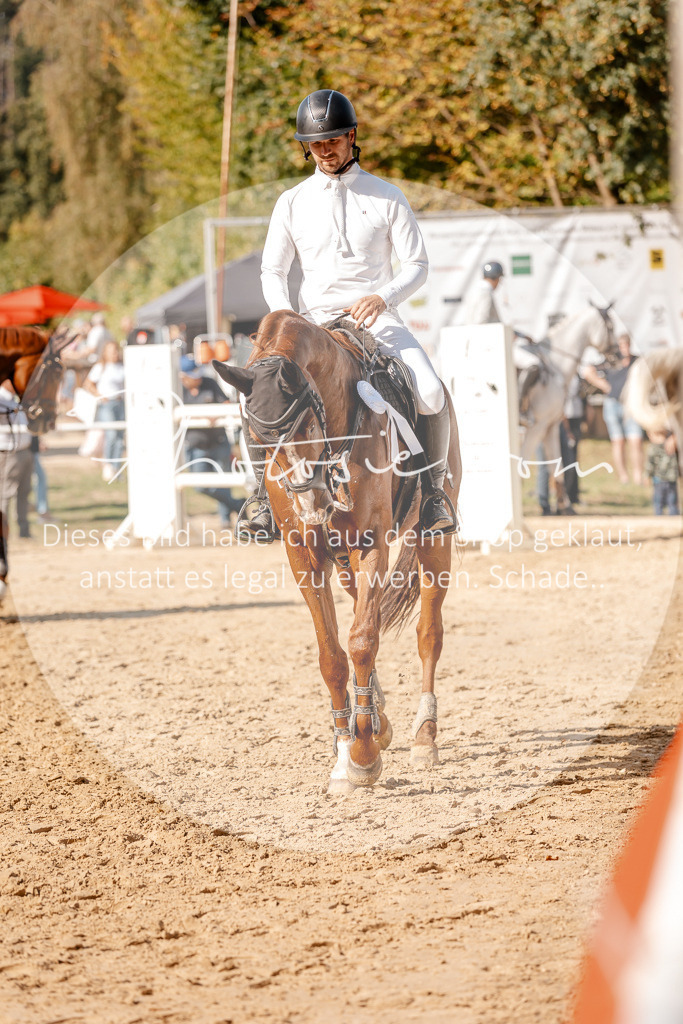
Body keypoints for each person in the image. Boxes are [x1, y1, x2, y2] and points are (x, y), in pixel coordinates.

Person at [254, 88, 455, 539]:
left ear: (352, 137)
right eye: (315, 143)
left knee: (430, 391)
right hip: (312, 324)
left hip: (375, 320)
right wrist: (288, 319)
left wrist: (384, 297)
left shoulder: (387, 196)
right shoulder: (291, 201)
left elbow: (417, 265)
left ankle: (434, 492)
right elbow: (273, 269)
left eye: (333, 140)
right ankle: (259, 500)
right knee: (262, 394)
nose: (324, 150)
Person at [180, 357, 242, 526]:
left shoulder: (209, 382)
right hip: (195, 445)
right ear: (183, 377)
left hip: (219, 440)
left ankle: (225, 519)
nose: (198, 378)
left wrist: (216, 413)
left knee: (224, 481)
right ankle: (238, 504)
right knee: (200, 485)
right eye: (193, 376)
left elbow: (226, 402)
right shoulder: (177, 390)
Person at [582, 333, 644, 484]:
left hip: (630, 404)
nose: (624, 348)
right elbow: (588, 371)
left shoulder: (637, 361)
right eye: (621, 345)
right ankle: (623, 476)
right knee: (618, 441)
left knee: (635, 440)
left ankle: (638, 476)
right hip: (612, 403)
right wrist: (604, 385)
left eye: (626, 345)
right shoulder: (610, 362)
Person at [84, 340, 125, 481]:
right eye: (111, 351)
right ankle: (108, 466)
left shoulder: (121, 366)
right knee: (111, 435)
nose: (115, 353)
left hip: (120, 403)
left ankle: (117, 467)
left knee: (119, 437)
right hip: (107, 404)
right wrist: (100, 396)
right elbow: (88, 384)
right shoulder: (100, 367)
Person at [0, 380, 33, 552]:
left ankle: (24, 530)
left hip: (25, 449)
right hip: (8, 452)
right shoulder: (2, 398)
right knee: (5, 494)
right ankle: (4, 533)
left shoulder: (16, 398)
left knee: (24, 492)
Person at [645, 430, 679, 515]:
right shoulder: (653, 449)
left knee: (672, 501)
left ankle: (673, 517)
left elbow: (676, 463)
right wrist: (647, 476)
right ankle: (659, 517)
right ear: (650, 436)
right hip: (659, 479)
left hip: (671, 479)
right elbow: (650, 464)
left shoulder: (672, 446)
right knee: (659, 500)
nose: (660, 438)